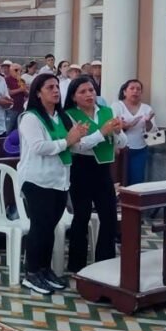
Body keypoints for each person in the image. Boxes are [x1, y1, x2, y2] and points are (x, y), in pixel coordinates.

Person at [18, 74, 87, 294]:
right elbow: (39, 147)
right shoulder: (31, 118)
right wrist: (68, 141)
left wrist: (79, 138)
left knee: (50, 228)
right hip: (37, 180)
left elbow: (73, 147)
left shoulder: (62, 117)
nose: (56, 91)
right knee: (39, 228)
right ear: (38, 92)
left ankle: (44, 269)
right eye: (50, 87)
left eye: (57, 86)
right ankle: (31, 273)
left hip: (59, 180)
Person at [64, 75, 126, 273]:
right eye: (82, 91)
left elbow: (122, 143)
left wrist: (116, 132)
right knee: (81, 216)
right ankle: (77, 265)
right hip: (80, 167)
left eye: (91, 90)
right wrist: (102, 132)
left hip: (103, 169)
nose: (89, 94)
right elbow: (76, 146)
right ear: (74, 96)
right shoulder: (70, 115)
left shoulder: (106, 111)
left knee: (109, 216)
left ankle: (104, 262)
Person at [112, 79, 154, 185]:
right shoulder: (117, 106)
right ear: (125, 92)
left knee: (137, 180)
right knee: (120, 179)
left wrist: (148, 122)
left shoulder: (147, 108)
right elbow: (112, 127)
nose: (135, 91)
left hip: (140, 149)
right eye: (132, 88)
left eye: (138, 89)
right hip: (120, 150)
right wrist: (129, 125)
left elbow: (151, 131)